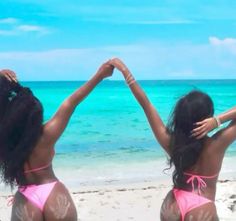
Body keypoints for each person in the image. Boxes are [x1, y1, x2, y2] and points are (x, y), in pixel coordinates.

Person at [109, 58, 236, 221]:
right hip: (202, 208)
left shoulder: (171, 141)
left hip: (172, 204)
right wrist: (218, 120)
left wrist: (125, 70)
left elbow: (146, 104)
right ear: (207, 117)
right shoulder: (217, 144)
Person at [0, 62, 114, 221]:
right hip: (53, 193)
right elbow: (71, 103)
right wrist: (100, 75)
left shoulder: (6, 143)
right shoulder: (46, 135)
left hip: (25, 200)